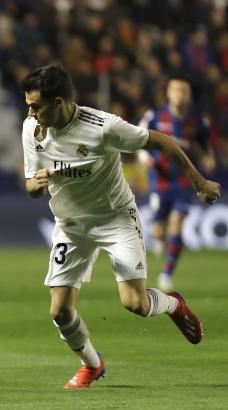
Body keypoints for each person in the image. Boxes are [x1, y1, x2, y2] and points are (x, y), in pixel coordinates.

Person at [21, 65, 221, 389]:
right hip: (71, 225)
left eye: (35, 105)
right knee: (59, 311)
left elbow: (161, 141)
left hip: (115, 218)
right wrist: (36, 184)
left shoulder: (102, 126)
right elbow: (31, 183)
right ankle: (92, 364)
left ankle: (173, 304)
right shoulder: (32, 129)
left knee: (135, 305)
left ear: (58, 102)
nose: (29, 112)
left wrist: (199, 183)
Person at [137, 75, 216, 292]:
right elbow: (137, 139)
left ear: (188, 95)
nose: (179, 95)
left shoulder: (198, 121)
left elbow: (205, 145)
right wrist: (145, 159)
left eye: (183, 91)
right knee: (160, 231)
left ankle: (167, 274)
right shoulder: (155, 116)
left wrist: (209, 158)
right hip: (159, 179)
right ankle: (160, 242)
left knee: (177, 224)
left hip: (183, 180)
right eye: (175, 91)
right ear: (168, 93)